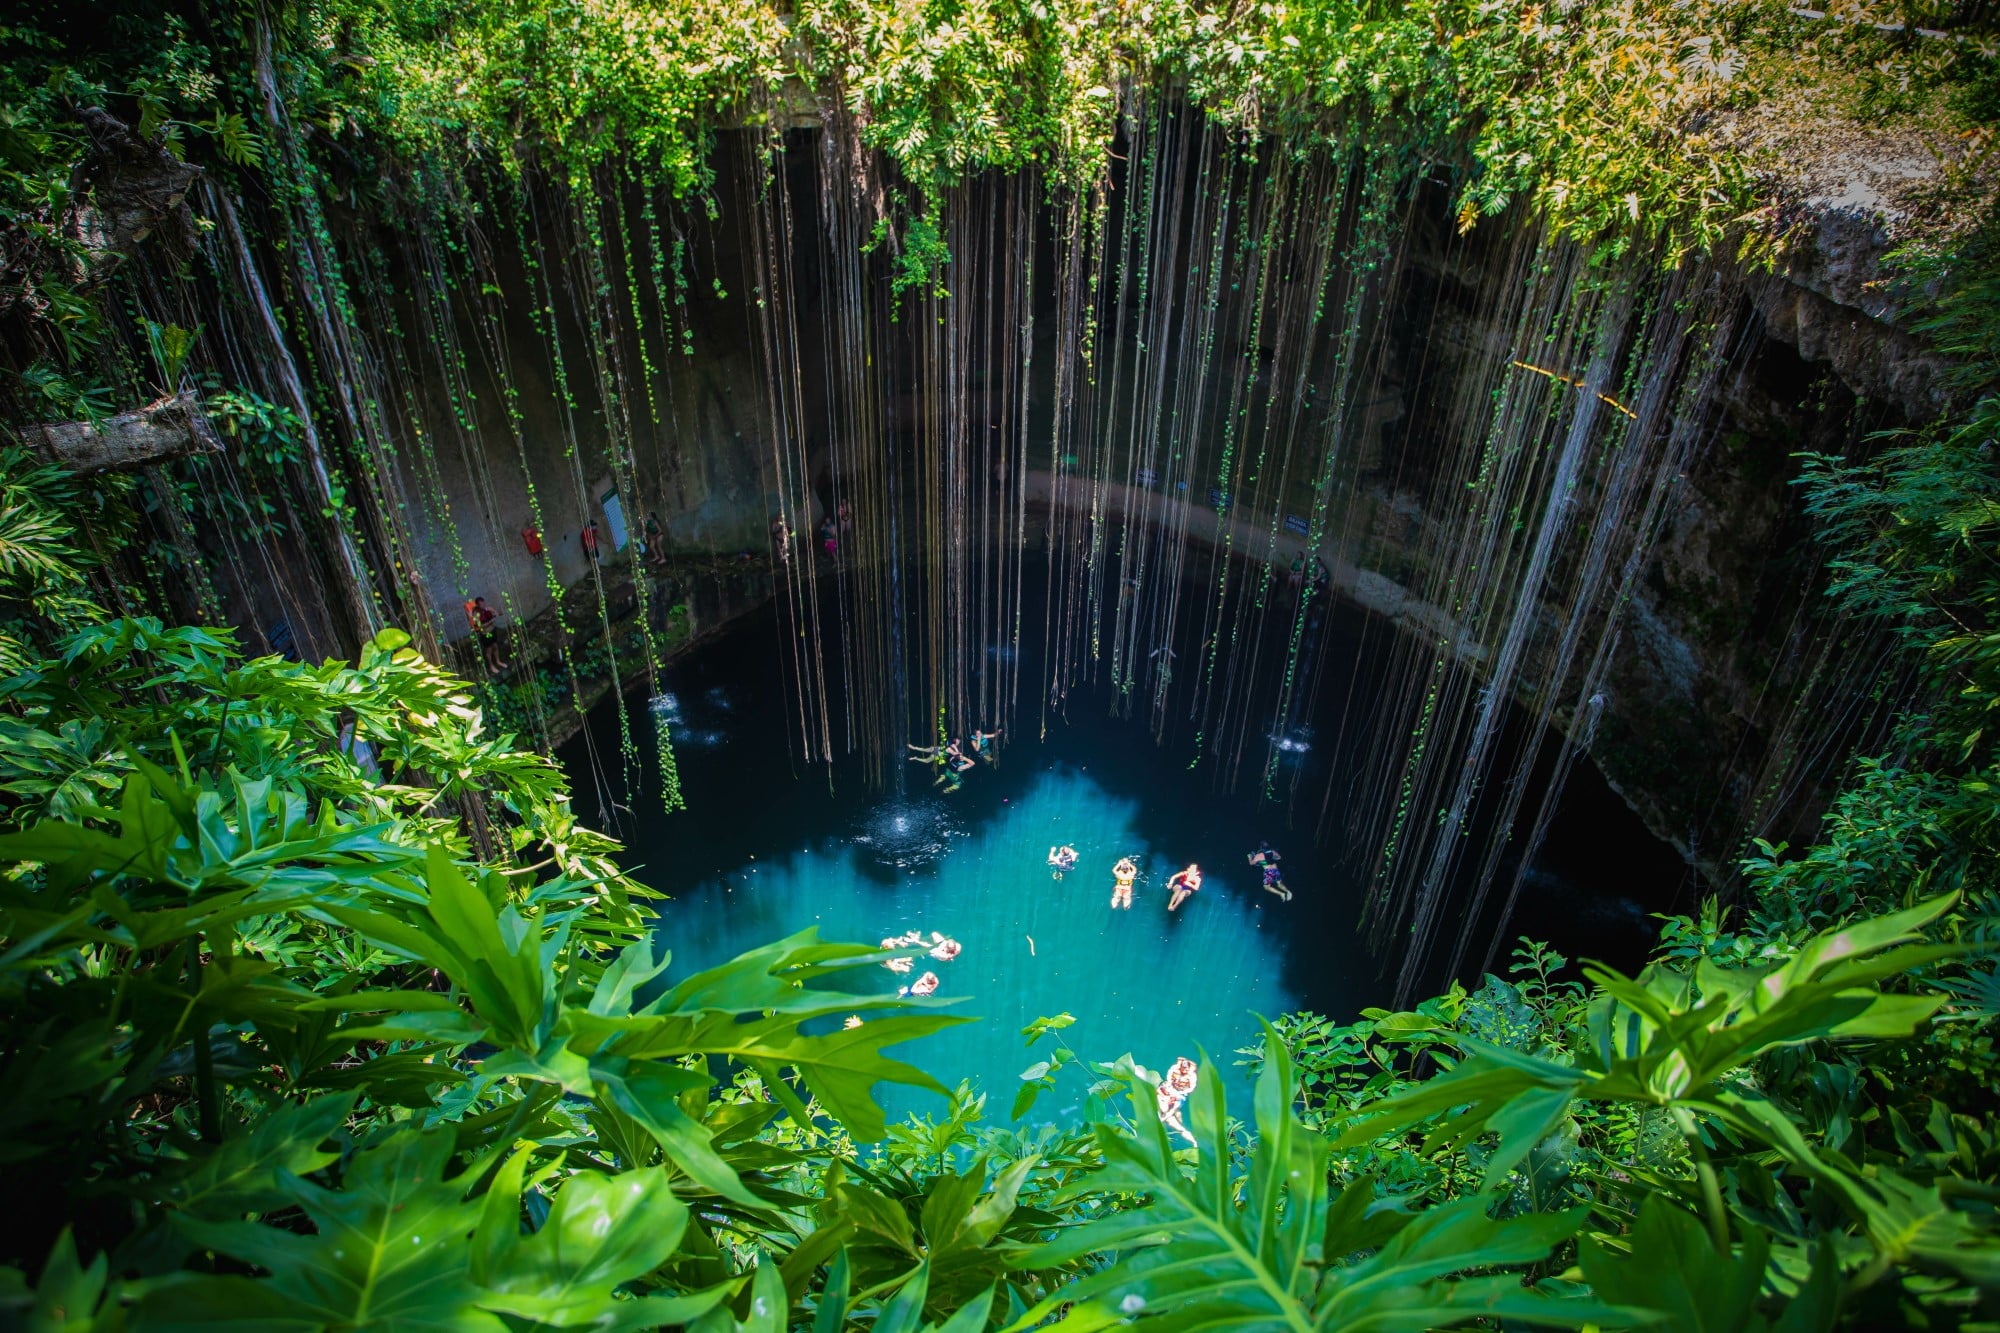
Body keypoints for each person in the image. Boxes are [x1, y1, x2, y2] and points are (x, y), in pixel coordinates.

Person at [1156, 1056, 1199, 1146]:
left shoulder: (1192, 1076)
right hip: (1170, 1089)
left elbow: (1191, 1088)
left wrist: (1180, 1092)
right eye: (1183, 1068)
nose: (1184, 1070)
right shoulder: (1174, 1068)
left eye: (1186, 1069)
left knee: (1175, 1119)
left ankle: (1193, 1141)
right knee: (1174, 1120)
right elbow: (1169, 1076)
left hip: (1180, 1093)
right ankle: (1192, 1140)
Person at [463, 596, 503, 674]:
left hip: (492, 630)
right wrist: (490, 622)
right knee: (488, 650)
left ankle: (498, 661)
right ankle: (491, 666)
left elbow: (496, 613)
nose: (484, 605)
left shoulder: (487, 609)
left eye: (484, 603)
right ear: (477, 605)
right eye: (481, 604)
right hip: (485, 633)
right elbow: (479, 627)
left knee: (495, 646)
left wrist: (497, 612)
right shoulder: (476, 614)